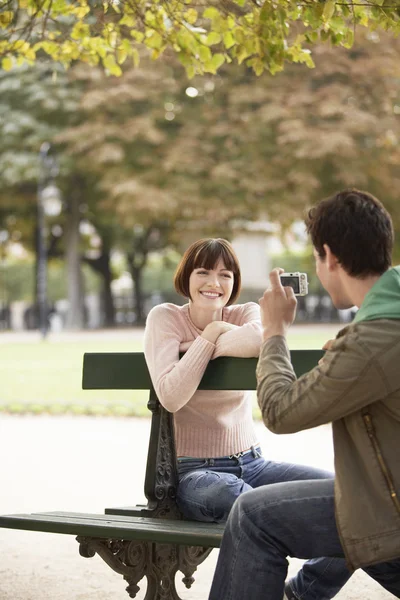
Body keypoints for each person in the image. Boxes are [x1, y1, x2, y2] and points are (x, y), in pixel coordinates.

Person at [208, 189, 400, 600]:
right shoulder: (380, 328)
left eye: (316, 258)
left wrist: (274, 331)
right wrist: (346, 356)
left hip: (393, 512)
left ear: (329, 256)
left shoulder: (372, 341)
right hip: (390, 498)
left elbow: (279, 412)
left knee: (252, 515)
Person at [144, 238, 339, 532]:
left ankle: (309, 581)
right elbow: (171, 396)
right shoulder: (165, 317)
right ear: (186, 277)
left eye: (225, 275)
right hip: (195, 473)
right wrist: (210, 334)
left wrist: (199, 343)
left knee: (341, 495)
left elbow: (261, 338)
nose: (214, 282)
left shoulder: (244, 313)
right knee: (244, 499)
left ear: (234, 282)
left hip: (253, 463)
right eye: (203, 272)